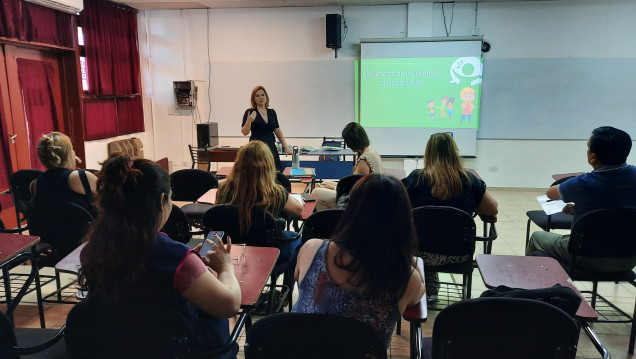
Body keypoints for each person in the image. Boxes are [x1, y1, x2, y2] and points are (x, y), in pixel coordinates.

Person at [78, 154, 241, 357]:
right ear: (162, 200)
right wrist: (225, 267)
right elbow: (230, 305)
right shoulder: (177, 258)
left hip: (117, 349)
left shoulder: (92, 250)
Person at [293, 174, 425, 349]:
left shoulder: (312, 249)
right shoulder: (407, 278)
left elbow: (298, 278)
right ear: (403, 219)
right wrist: (403, 252)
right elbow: (417, 298)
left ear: (351, 210)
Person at [526, 126, 636, 272]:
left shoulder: (583, 183)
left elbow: (551, 193)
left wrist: (582, 178)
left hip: (586, 256)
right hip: (628, 260)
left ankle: (535, 291)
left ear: (592, 157)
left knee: (537, 237)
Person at [401, 132, 498, 296]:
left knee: (426, 235)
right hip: (460, 255)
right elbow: (492, 210)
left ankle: (428, 287)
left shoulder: (415, 179)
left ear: (428, 153)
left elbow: (399, 207)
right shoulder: (469, 180)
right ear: (455, 152)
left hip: (420, 253)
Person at [215, 140, 303, 264]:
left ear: (239, 163)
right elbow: (298, 210)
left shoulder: (224, 187)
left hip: (230, 250)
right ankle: (288, 279)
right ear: (268, 164)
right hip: (267, 251)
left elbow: (217, 212)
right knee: (298, 238)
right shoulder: (275, 192)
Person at [312, 122, 383, 210]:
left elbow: (356, 190)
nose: (348, 145)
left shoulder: (364, 159)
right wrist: (335, 185)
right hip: (367, 196)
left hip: (361, 202)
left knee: (316, 193)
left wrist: (334, 187)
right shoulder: (372, 151)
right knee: (327, 182)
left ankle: (336, 220)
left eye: (348, 142)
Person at [30, 132, 97, 216]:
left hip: (50, 229)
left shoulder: (34, 184)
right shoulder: (82, 177)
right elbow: (108, 205)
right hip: (83, 228)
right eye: (72, 149)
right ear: (68, 154)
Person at [241, 86, 292, 172]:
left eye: (262, 95)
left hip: (270, 144)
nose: (260, 97)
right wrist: (249, 121)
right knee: (258, 172)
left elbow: (277, 130)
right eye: (257, 96)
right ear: (254, 99)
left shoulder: (272, 112)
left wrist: (286, 147)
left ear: (266, 97)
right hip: (256, 147)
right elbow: (245, 132)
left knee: (274, 171)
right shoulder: (250, 112)